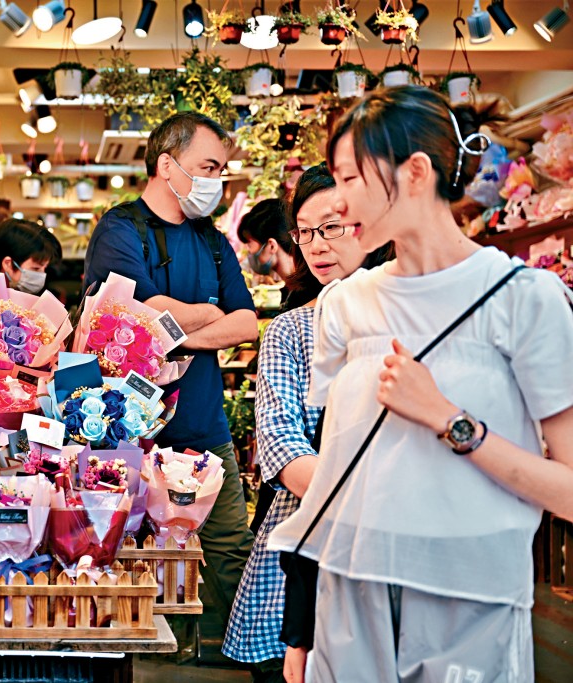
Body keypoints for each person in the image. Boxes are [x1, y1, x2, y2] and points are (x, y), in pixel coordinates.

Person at [267, 85, 573, 682]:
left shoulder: (524, 300)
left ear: (414, 173)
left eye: (351, 177)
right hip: (350, 603)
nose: (339, 198)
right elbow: (338, 479)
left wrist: (449, 420)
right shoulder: (345, 305)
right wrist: (300, 633)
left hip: (470, 605)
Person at [82, 112, 259, 633]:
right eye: (208, 166)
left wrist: (169, 326)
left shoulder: (212, 240)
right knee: (132, 552)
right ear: (167, 164)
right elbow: (130, 313)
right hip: (130, 432)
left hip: (205, 427)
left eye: (221, 169)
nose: (216, 181)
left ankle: (237, 654)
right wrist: (206, 312)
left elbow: (246, 322)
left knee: (229, 545)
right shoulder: (121, 229)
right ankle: (148, 655)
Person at [222, 164, 393, 682]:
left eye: (332, 227)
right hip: (302, 553)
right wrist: (381, 504)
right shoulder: (292, 331)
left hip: (393, 560)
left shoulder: (410, 319)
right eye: (305, 231)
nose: (316, 245)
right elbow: (281, 446)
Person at [0, 218, 61, 294]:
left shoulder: (37, 301)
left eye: (45, 268)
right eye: (36, 268)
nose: (42, 275)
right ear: (8, 264)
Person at [237, 198, 297, 281]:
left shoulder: (306, 291)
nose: (248, 251)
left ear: (272, 246)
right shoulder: (294, 287)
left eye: (249, 244)